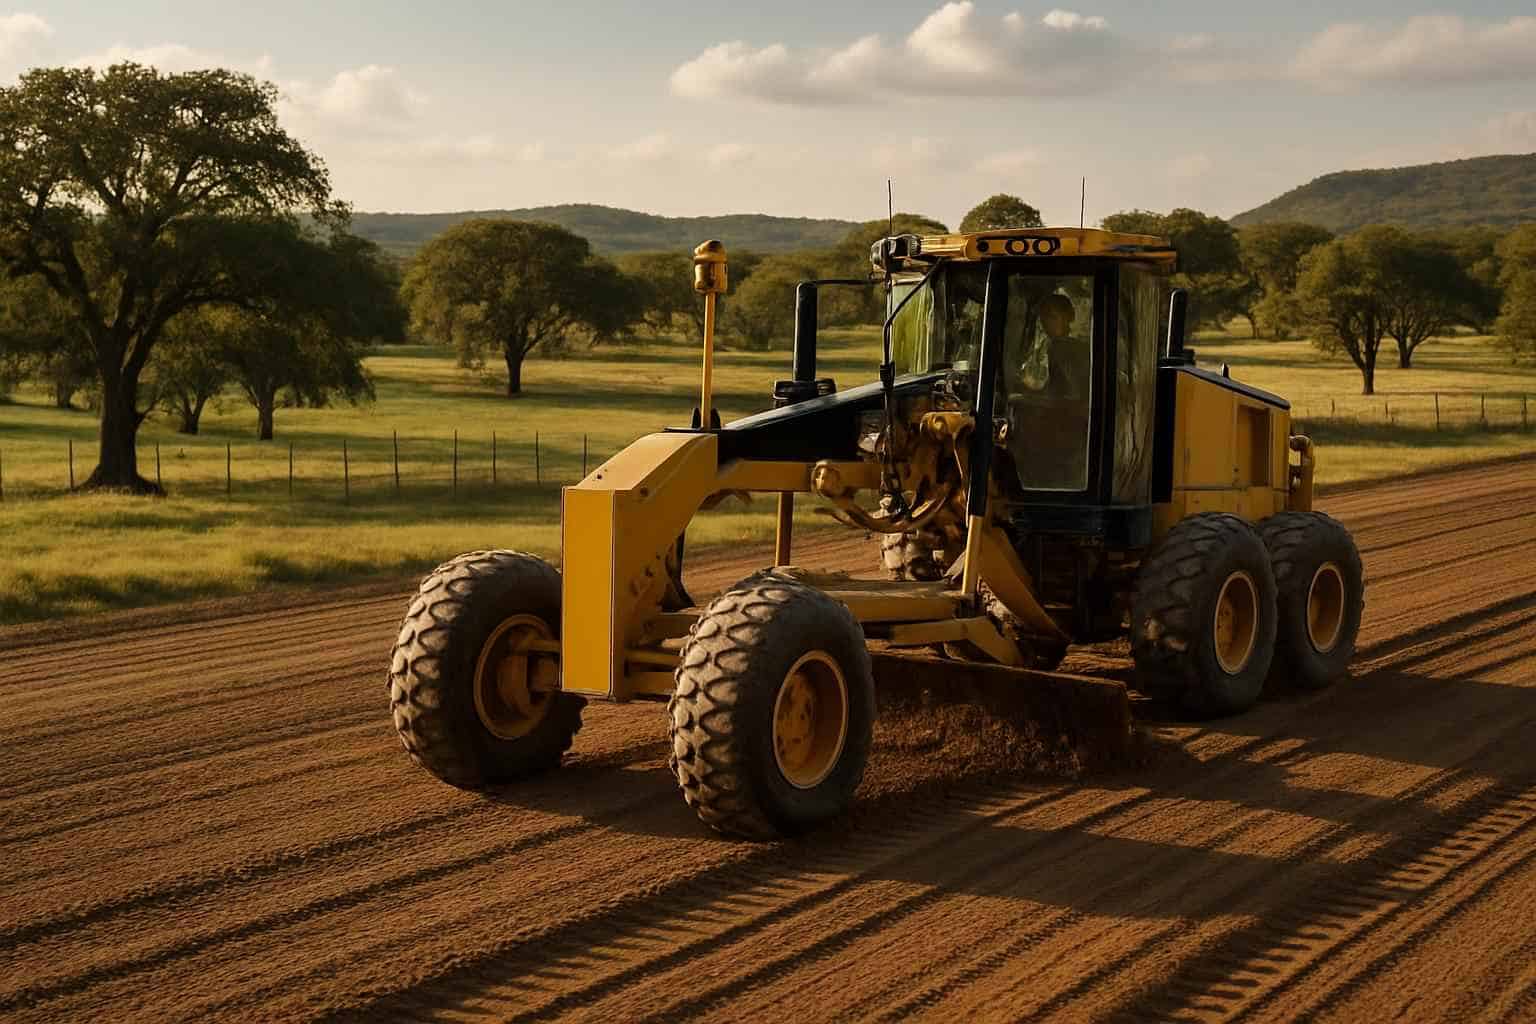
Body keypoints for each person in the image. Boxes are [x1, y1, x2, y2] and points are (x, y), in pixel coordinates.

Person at [1038, 294, 1091, 400]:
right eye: (1043, 317)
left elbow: (1072, 392)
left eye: (1052, 317)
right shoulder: (1055, 346)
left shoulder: (1062, 347)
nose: (1046, 323)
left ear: (1068, 317)